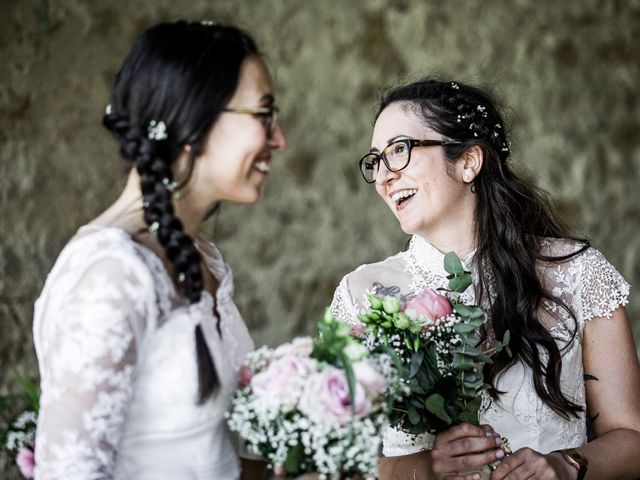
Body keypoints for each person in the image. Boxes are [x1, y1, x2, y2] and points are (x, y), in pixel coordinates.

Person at [330, 78, 640, 479]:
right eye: (375, 161)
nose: (384, 176)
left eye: (400, 150)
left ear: (468, 162)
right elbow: (338, 463)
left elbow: (631, 436)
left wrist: (565, 466)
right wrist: (424, 467)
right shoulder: (363, 295)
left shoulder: (577, 272)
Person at [33, 20, 285, 479]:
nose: (279, 138)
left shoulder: (201, 259)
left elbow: (206, 458)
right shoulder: (111, 274)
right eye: (263, 114)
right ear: (194, 118)